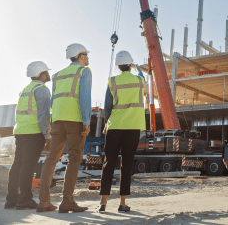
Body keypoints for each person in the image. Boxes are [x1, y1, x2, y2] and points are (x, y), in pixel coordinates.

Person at [37, 43, 92, 213]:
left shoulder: (58, 75)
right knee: (75, 159)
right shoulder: (84, 72)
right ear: (81, 56)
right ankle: (67, 201)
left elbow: (54, 100)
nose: (88, 58)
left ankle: (44, 202)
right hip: (75, 120)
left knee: (51, 159)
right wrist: (86, 121)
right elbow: (84, 98)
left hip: (58, 120)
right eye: (86, 55)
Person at [97, 50, 146, 213]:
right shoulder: (139, 80)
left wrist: (106, 123)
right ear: (130, 65)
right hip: (132, 127)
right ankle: (122, 203)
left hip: (115, 127)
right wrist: (138, 69)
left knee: (108, 163)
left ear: (118, 66)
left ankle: (103, 203)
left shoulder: (112, 82)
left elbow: (108, 106)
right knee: (126, 165)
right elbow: (143, 77)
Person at [4, 62, 51, 210]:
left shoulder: (25, 89)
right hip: (33, 132)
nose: (48, 75)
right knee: (28, 166)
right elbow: (43, 116)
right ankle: (25, 199)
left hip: (21, 131)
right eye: (46, 72)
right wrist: (47, 135)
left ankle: (11, 200)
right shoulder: (42, 90)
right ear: (42, 75)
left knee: (17, 164)